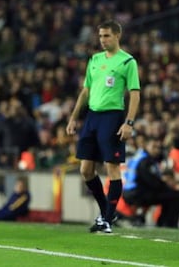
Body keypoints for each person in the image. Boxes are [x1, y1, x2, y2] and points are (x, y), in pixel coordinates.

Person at [66, 19, 140, 233]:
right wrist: (73, 117)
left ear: (118, 36)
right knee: (85, 169)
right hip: (92, 117)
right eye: (100, 36)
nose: (102, 40)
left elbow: (135, 94)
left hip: (112, 116)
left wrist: (129, 122)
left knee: (112, 167)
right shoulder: (95, 60)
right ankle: (106, 212)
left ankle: (107, 218)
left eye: (106, 35)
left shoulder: (127, 62)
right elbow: (86, 90)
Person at [122, 137, 179, 228]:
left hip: (131, 192)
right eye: (154, 147)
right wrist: (167, 187)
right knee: (176, 196)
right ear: (146, 146)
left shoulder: (139, 156)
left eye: (159, 148)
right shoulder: (146, 160)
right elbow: (152, 181)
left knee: (169, 195)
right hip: (137, 193)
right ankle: (167, 224)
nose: (157, 150)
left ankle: (161, 222)